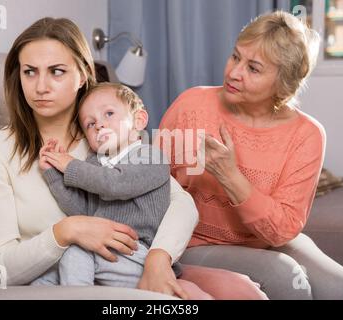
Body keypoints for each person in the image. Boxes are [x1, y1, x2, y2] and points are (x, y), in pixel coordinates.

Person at [0, 17, 268, 299]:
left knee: (240, 292)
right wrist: (67, 231)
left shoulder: (108, 137)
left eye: (56, 71)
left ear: (84, 75)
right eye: (29, 71)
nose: (41, 87)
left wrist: (158, 260)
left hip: (134, 261)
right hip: (62, 280)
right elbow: (1, 268)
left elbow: (181, 204)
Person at [158, 11, 343, 299]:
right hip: (191, 243)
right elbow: (150, 187)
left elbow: (282, 230)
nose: (235, 72)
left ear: (283, 83)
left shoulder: (307, 134)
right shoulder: (191, 106)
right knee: (285, 276)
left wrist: (231, 176)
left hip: (266, 241)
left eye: (254, 68)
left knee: (342, 288)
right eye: (235, 57)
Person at [31, 82, 213, 299]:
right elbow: (80, 210)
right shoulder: (94, 165)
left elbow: (115, 184)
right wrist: (52, 173)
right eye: (90, 124)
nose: (99, 125)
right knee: (42, 280)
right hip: (105, 252)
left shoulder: (150, 157)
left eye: (108, 113)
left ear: (139, 120)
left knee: (75, 253)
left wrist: (69, 165)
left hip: (137, 254)